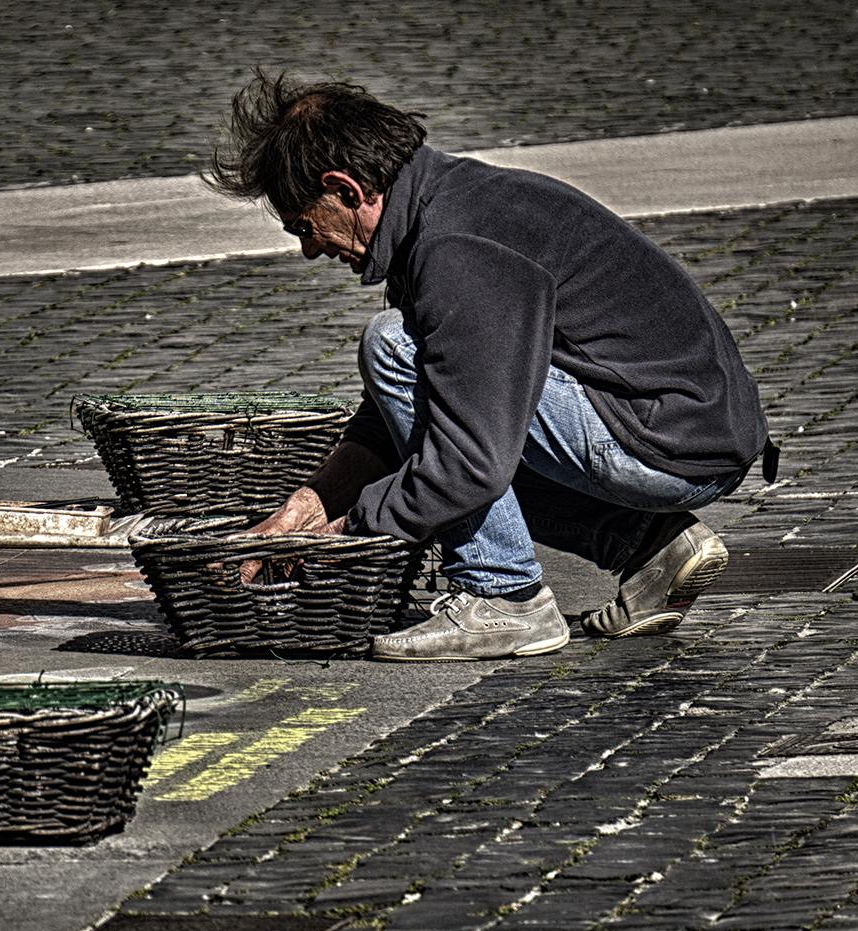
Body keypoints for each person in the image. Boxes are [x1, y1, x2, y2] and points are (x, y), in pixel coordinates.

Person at [206, 71, 772, 662]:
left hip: (670, 444)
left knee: (394, 347)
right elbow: (400, 421)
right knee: (433, 394)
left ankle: (505, 598)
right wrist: (310, 505)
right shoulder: (442, 206)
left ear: (345, 188)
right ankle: (654, 544)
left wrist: (350, 532)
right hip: (690, 432)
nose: (309, 248)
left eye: (305, 224)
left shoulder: (455, 247)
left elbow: (469, 462)